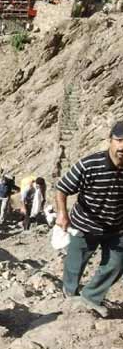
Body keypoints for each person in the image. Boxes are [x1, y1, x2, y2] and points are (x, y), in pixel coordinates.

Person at [57, 121, 123, 318]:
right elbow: (62, 188)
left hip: (116, 227)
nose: (122, 147)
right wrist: (62, 213)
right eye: (119, 140)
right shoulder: (89, 164)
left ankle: (91, 296)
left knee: (117, 263)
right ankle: (69, 293)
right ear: (110, 141)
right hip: (84, 224)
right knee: (75, 263)